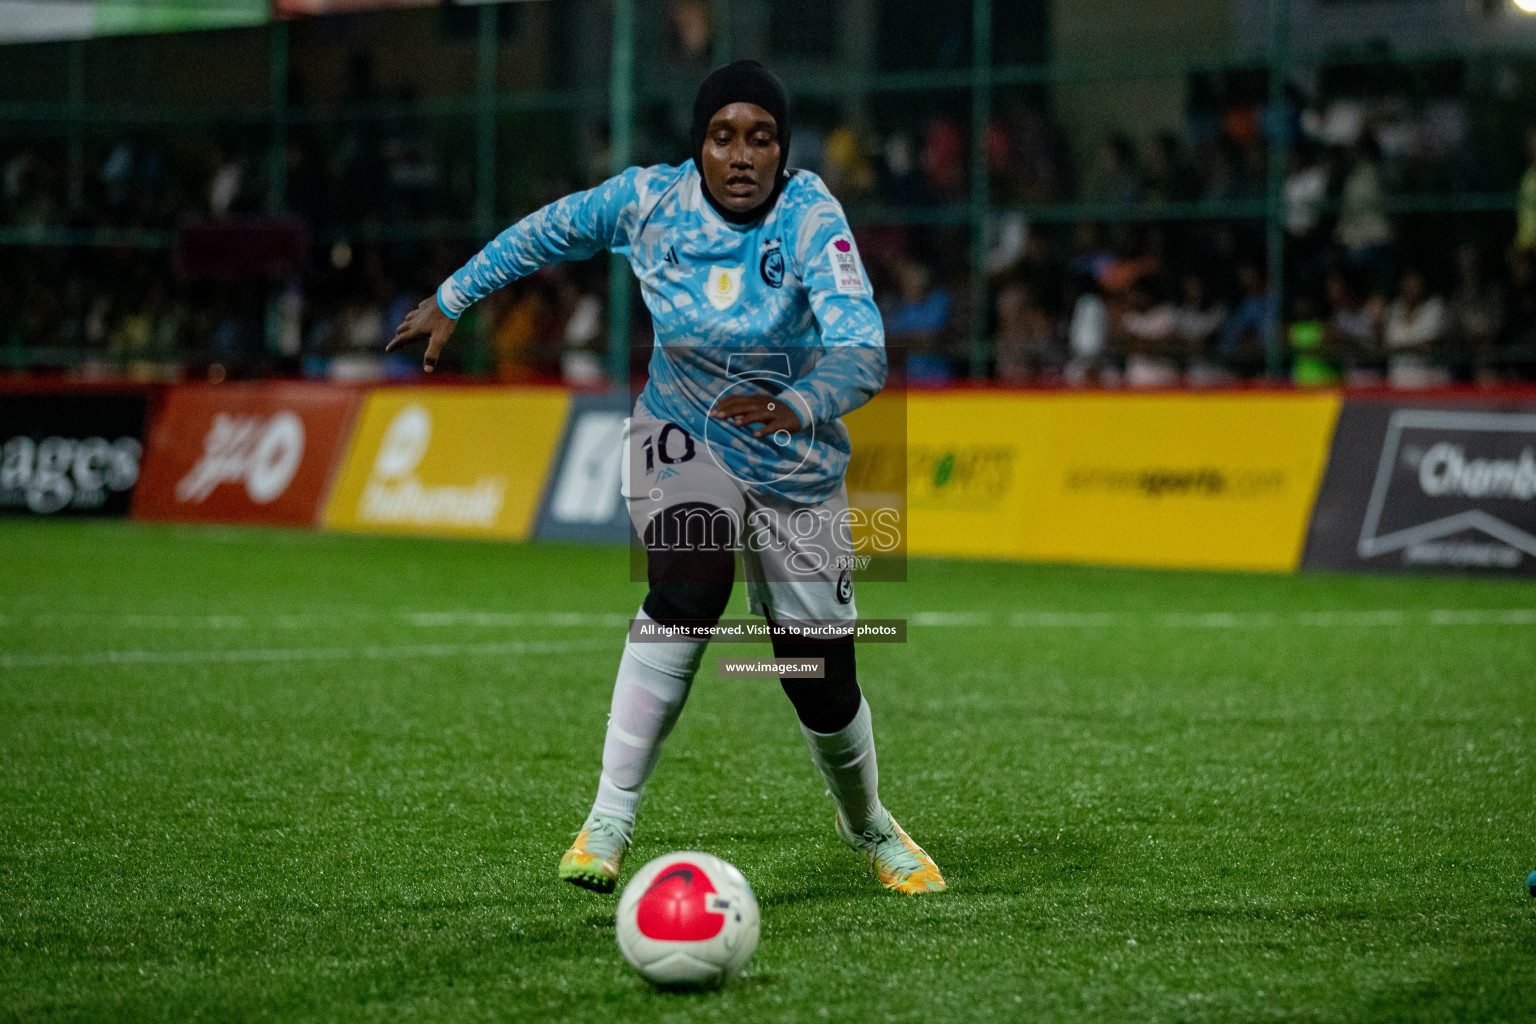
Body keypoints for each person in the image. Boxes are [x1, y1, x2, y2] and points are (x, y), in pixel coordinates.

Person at [386, 61, 945, 897]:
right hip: (681, 433)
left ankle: (868, 823)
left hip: (795, 462)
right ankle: (608, 818)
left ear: (784, 149)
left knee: (820, 677)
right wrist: (454, 296)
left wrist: (799, 403)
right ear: (699, 145)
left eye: (762, 137)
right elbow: (546, 230)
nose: (743, 154)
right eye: (724, 136)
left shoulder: (808, 215)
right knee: (689, 580)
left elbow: (863, 349)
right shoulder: (649, 201)